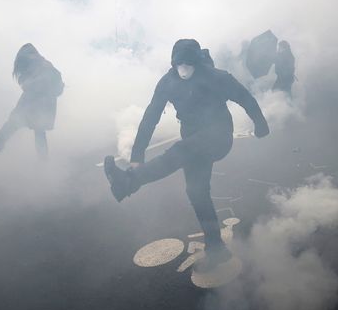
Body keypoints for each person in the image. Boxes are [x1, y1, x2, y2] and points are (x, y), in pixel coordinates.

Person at [103, 39, 269, 270]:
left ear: (197, 63)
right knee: (196, 190)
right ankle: (216, 248)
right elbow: (151, 116)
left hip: (218, 135)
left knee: (182, 150)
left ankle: (129, 182)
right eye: (178, 64)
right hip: (192, 137)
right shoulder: (168, 82)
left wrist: (261, 124)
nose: (183, 69)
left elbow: (245, 97)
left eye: (188, 64)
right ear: (173, 64)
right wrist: (137, 154)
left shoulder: (217, 77)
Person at [0, 43, 63, 159]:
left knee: (25, 125)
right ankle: (42, 161)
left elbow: (44, 81)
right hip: (38, 102)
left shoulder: (41, 64)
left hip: (38, 102)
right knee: (33, 129)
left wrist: (31, 85)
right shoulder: (39, 63)